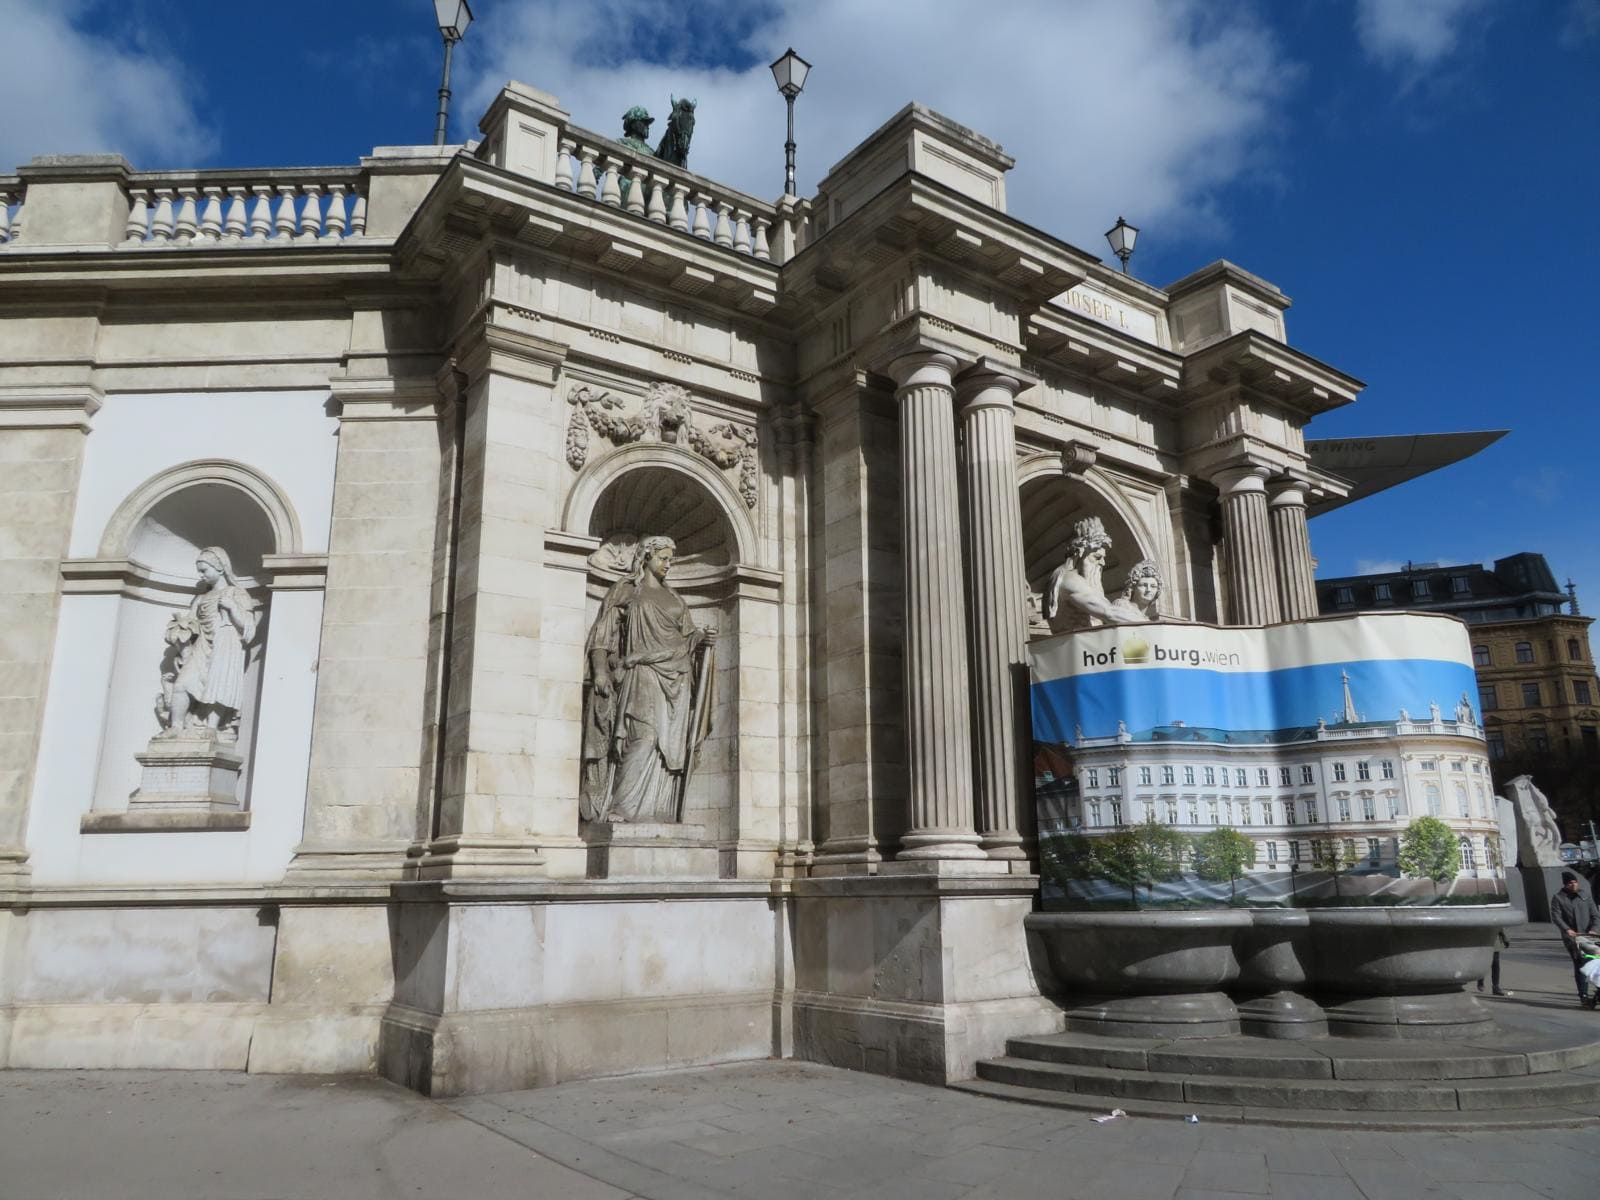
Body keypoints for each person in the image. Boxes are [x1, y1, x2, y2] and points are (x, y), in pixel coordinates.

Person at [580, 535, 716, 824]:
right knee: (645, 737)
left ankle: (657, 811)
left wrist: (702, 639)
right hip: (641, 674)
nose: (668, 564)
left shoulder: (675, 598)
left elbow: (687, 637)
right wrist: (601, 670)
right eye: (663, 558)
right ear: (646, 557)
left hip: (677, 680)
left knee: (669, 748)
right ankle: (622, 807)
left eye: (671, 560)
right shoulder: (627, 590)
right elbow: (603, 635)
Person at [159, 546, 258, 741]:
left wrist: (232, 608)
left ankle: (212, 727)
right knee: (181, 684)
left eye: (204, 570)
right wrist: (180, 629)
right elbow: (191, 623)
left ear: (220, 567)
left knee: (219, 685)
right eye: (199, 571)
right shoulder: (201, 598)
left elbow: (249, 628)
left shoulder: (236, 593)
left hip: (226, 641)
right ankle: (176, 726)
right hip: (202, 644)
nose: (201, 575)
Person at [1552, 870, 1600, 1007]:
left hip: (1589, 936)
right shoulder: (1558, 898)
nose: (1573, 885)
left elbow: (1595, 915)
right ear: (1565, 885)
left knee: (1594, 964)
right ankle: (1583, 996)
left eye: (1575, 882)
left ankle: (1597, 994)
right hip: (1573, 938)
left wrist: (1594, 929)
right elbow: (1556, 916)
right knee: (1581, 964)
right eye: (1570, 883)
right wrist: (1567, 929)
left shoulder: (1584, 895)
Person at [1475, 926, 1512, 997]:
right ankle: (1480, 980)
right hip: (1483, 942)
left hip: (1494, 943)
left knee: (1495, 965)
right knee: (1484, 964)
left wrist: (1506, 939)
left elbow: (1500, 927)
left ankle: (1495, 987)